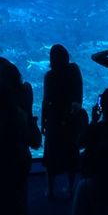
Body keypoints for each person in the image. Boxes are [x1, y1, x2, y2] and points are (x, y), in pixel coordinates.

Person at [42, 44, 85, 200]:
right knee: (71, 151)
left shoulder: (50, 76)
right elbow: (79, 94)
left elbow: (46, 100)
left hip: (54, 117)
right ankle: (71, 188)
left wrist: (43, 121)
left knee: (51, 153)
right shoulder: (74, 70)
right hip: (72, 117)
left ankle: (50, 189)